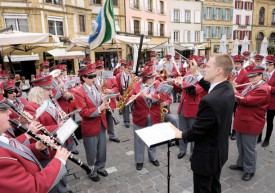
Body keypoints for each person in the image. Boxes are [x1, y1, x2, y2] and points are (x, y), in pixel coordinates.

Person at [172, 54, 235, 193]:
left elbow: (196, 132)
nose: (204, 68)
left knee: (203, 189)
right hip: (219, 152)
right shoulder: (227, 87)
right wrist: (196, 74)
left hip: (206, 157)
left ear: (218, 70)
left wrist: (180, 134)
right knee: (214, 186)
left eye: (207, 66)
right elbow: (211, 87)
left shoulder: (209, 101)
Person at [0, 99, 70, 193]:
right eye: (3, 110)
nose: (9, 112)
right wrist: (59, 160)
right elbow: (32, 188)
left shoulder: (3, 136)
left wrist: (36, 147)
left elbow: (14, 150)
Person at [230, 66, 270, 181]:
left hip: (252, 123)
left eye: (254, 77)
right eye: (249, 77)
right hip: (242, 121)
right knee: (241, 146)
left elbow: (246, 100)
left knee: (249, 148)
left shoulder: (263, 88)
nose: (251, 79)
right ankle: (241, 164)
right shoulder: (252, 85)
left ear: (260, 75)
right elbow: (242, 96)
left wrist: (234, 91)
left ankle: (250, 170)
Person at [74, 64, 109, 182]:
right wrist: (99, 109)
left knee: (102, 148)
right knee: (91, 150)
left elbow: (99, 101)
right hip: (90, 125)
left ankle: (100, 167)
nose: (93, 78)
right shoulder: (79, 92)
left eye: (94, 76)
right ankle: (92, 170)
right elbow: (83, 112)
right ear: (83, 78)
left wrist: (105, 100)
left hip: (101, 123)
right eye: (90, 77)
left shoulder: (96, 87)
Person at [129, 66, 166, 171]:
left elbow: (163, 97)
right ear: (145, 78)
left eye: (154, 77)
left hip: (154, 115)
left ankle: (153, 157)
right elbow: (129, 97)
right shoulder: (136, 86)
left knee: (153, 138)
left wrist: (150, 96)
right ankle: (139, 160)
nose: (153, 79)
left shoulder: (158, 84)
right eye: (151, 77)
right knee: (139, 139)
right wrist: (131, 99)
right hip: (139, 116)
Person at [258, 56, 275, 147]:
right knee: (260, 119)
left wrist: (270, 88)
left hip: (272, 102)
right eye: (267, 64)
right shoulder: (264, 73)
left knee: (269, 121)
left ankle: (267, 139)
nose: (267, 66)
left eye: (270, 65)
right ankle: (259, 137)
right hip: (263, 101)